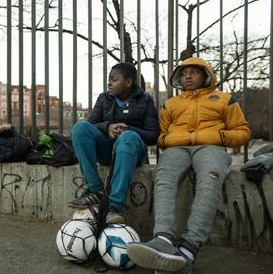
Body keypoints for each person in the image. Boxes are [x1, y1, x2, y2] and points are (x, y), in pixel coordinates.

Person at [127, 57, 251, 273]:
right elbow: (160, 133)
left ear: (206, 75)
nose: (188, 76)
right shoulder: (171, 104)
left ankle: (188, 249)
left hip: (211, 147)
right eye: (184, 74)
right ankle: (163, 239)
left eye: (194, 72)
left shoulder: (225, 99)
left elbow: (243, 131)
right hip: (177, 148)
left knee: (209, 182)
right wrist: (166, 141)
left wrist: (220, 136)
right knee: (164, 179)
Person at [67, 62, 159, 224]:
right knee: (80, 128)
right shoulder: (104, 98)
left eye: (114, 79)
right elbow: (91, 125)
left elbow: (152, 135)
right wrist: (107, 126)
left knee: (128, 137)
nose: (109, 83)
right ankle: (95, 190)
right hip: (107, 151)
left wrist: (128, 129)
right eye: (108, 79)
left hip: (131, 152)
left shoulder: (145, 100)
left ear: (128, 82)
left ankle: (114, 207)